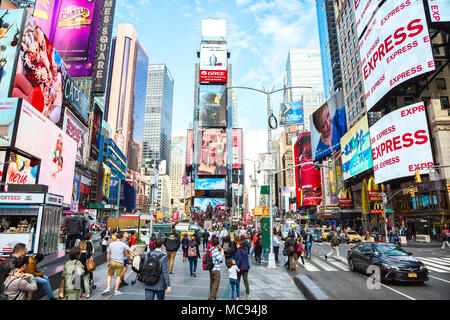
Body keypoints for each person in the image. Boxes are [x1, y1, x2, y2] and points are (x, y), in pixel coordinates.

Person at [76, 233, 94, 298]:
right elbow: (90, 258)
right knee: (86, 280)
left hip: (79, 267)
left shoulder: (77, 253)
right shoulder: (87, 253)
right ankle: (87, 293)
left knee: (78, 280)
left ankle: (79, 294)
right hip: (86, 267)